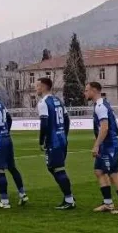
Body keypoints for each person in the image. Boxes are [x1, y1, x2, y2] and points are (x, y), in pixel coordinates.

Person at [85, 82, 118, 213]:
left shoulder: (100, 106)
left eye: (86, 90)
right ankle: (108, 203)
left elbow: (104, 127)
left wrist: (96, 145)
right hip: (105, 144)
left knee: (113, 173)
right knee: (99, 171)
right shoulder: (100, 104)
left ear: (94, 91)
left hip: (109, 144)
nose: (85, 93)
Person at [37, 77, 75, 210]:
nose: (36, 89)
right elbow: (67, 119)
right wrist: (64, 134)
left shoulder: (43, 102)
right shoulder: (57, 100)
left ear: (43, 87)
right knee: (53, 167)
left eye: (37, 86)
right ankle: (68, 196)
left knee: (58, 169)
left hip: (54, 141)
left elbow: (44, 123)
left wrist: (41, 141)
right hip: (61, 139)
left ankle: (69, 199)